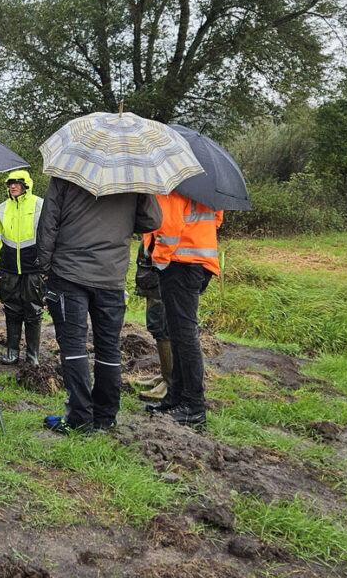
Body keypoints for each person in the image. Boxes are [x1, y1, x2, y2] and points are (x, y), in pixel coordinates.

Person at [35, 177, 162, 434]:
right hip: (111, 274)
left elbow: (48, 222)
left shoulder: (66, 174)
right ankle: (105, 416)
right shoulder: (134, 177)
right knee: (109, 348)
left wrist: (44, 266)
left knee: (73, 346)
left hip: (69, 271)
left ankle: (79, 418)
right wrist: (120, 221)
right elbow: (153, 221)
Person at [144, 191, 223, 430]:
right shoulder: (201, 183)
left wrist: (159, 261)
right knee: (178, 332)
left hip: (179, 264)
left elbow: (168, 228)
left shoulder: (172, 185)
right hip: (199, 262)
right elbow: (217, 219)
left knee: (185, 335)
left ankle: (193, 406)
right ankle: (176, 398)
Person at [0, 170, 45, 367]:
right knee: (11, 309)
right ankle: (12, 352)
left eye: (17, 183)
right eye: (10, 183)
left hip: (33, 267)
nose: (13, 186)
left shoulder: (40, 205)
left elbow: (51, 235)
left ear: (26, 185)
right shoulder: (1, 209)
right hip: (8, 268)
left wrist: (48, 266)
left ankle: (32, 355)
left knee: (33, 310)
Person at [132, 240, 173, 400]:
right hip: (155, 266)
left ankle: (170, 381)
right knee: (157, 323)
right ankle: (166, 374)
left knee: (162, 325)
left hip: (165, 267)